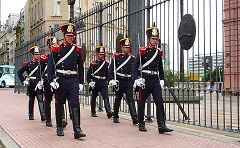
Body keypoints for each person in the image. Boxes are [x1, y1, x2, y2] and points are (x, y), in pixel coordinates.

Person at [47, 19, 86, 139]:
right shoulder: (57, 49)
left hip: (73, 79)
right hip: (61, 79)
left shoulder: (77, 49)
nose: (70, 38)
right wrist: (52, 79)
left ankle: (77, 130)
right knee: (59, 103)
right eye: (68, 36)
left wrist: (81, 82)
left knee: (75, 103)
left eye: (72, 36)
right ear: (64, 36)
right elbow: (50, 66)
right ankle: (59, 127)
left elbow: (80, 67)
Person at [132, 25, 173, 134]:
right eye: (153, 39)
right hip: (145, 79)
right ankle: (141, 123)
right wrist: (137, 79)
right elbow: (135, 66)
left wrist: (162, 79)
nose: (155, 41)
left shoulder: (159, 53)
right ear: (149, 39)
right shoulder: (143, 51)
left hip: (155, 80)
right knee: (141, 102)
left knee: (159, 102)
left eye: (156, 39)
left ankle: (161, 125)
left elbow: (161, 68)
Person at [108, 37, 138, 125]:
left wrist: (135, 80)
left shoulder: (132, 59)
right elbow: (110, 70)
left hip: (128, 81)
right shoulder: (116, 57)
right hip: (119, 81)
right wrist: (111, 80)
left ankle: (134, 117)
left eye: (128, 47)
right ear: (122, 48)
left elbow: (135, 70)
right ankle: (116, 116)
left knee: (130, 99)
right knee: (118, 99)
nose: (127, 49)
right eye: (126, 47)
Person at [42, 35, 68, 127]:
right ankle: (48, 119)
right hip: (48, 80)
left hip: (58, 79)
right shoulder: (45, 57)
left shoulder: (60, 55)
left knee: (60, 100)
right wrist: (40, 80)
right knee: (48, 100)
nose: (54, 45)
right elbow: (40, 71)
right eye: (52, 44)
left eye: (55, 44)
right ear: (49, 46)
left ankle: (62, 119)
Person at [18, 46, 46, 121]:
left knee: (40, 99)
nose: (38, 55)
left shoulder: (42, 63)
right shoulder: (29, 64)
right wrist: (24, 80)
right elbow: (19, 72)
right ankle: (31, 114)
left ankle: (43, 115)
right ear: (33, 55)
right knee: (31, 99)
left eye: (38, 54)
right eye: (36, 54)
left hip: (39, 83)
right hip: (31, 84)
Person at [87, 44, 113, 118]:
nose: (102, 56)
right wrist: (90, 82)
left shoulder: (106, 63)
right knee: (94, 97)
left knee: (106, 97)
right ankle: (93, 111)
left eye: (103, 54)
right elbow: (88, 74)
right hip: (95, 81)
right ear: (97, 54)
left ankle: (108, 111)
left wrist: (108, 81)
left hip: (103, 82)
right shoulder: (93, 64)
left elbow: (108, 73)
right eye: (100, 54)